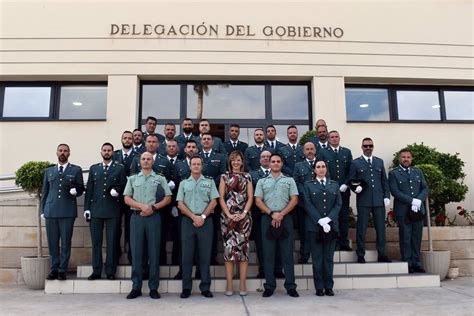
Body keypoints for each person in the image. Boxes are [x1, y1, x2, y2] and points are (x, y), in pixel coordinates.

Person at [123, 152, 172, 299]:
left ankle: (153, 288)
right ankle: (136, 287)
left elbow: (168, 198)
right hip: (137, 218)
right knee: (137, 253)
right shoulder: (132, 179)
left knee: (154, 252)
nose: (145, 161)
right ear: (139, 162)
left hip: (154, 218)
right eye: (143, 159)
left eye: (148, 159)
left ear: (153, 162)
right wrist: (142, 206)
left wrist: (153, 208)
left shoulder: (160, 179)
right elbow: (126, 198)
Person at [255, 153, 299, 298]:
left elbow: (294, 200)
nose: (275, 163)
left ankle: (291, 286)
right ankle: (269, 286)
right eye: (272, 161)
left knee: (287, 253)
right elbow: (258, 201)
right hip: (267, 219)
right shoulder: (262, 181)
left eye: (278, 161)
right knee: (268, 254)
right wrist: (272, 213)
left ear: (282, 163)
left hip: (285, 218)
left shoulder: (289, 180)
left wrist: (281, 214)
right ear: (269, 163)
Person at [177, 155, 220, 299]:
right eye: (193, 164)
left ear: (202, 166)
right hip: (188, 221)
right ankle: (186, 288)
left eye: (198, 164)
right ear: (189, 166)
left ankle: (205, 287)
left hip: (206, 221)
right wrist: (193, 217)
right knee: (187, 256)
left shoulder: (209, 182)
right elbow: (180, 204)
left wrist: (202, 217)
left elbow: (214, 201)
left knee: (205, 256)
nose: (196, 166)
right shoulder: (183, 183)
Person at [41, 143, 84, 281]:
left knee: (66, 242)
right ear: (56, 153)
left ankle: (62, 270)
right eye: (60, 150)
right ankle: (54, 269)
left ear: (69, 153)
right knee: (53, 243)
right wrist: (43, 210)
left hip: (67, 211)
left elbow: (80, 189)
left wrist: (76, 192)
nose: (63, 153)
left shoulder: (76, 170)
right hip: (51, 211)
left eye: (65, 151)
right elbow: (45, 191)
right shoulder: (49, 171)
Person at [84, 143, 127, 280]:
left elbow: (124, 187)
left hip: (113, 210)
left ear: (113, 152)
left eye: (109, 150)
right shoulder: (94, 168)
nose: (107, 152)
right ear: (101, 152)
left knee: (112, 242)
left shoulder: (119, 168)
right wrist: (87, 208)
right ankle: (96, 271)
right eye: (104, 150)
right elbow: (89, 189)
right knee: (96, 242)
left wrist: (118, 193)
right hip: (96, 210)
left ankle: (110, 271)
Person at [348, 137, 391, 263]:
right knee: (361, 228)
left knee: (381, 229)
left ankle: (382, 253)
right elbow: (351, 180)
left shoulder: (379, 162)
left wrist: (386, 196)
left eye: (370, 146)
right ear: (362, 147)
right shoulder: (356, 163)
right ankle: (360, 254)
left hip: (378, 200)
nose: (368, 148)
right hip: (364, 201)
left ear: (373, 147)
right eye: (365, 146)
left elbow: (384, 181)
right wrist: (355, 189)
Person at [304, 160, 342, 297]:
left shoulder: (334, 184)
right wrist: (320, 220)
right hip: (315, 227)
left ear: (326, 169)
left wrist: (329, 219)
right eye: (318, 167)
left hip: (331, 227)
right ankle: (319, 287)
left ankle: (329, 287)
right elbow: (307, 204)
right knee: (317, 258)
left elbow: (338, 204)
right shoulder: (308, 185)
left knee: (328, 258)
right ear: (314, 170)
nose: (321, 169)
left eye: (323, 167)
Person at [218, 151, 254, 296]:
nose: (236, 162)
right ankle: (229, 284)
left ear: (242, 161)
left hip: (244, 218)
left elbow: (251, 197)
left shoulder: (247, 176)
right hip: (228, 217)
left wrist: (244, 213)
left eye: (238, 160)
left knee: (243, 250)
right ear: (230, 162)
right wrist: (229, 214)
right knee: (229, 250)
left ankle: (243, 284)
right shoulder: (224, 177)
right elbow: (220, 197)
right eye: (233, 160)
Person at [389, 148, 429, 273]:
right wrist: (412, 200)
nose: (406, 159)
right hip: (403, 211)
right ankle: (408, 263)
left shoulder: (418, 171)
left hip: (417, 210)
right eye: (403, 157)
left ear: (411, 159)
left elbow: (425, 188)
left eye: (408, 157)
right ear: (399, 159)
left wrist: (419, 200)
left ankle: (416, 263)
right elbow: (395, 191)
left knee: (417, 237)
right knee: (406, 237)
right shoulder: (394, 173)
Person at [249, 150, 284, 279]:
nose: (265, 159)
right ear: (259, 159)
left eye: (267, 157)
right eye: (263, 157)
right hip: (260, 215)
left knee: (279, 241)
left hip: (278, 214)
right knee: (261, 243)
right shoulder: (252, 175)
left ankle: (278, 269)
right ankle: (263, 269)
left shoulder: (281, 175)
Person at [318, 130, 353, 251]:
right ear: (328, 139)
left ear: (339, 138)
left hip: (344, 191)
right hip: (329, 191)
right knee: (331, 216)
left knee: (343, 216)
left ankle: (343, 242)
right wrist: (330, 186)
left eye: (336, 137)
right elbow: (322, 170)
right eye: (331, 137)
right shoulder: (322, 152)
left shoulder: (346, 152)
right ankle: (332, 241)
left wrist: (346, 184)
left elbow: (351, 171)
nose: (334, 139)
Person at [172, 139, 199, 279]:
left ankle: (199, 271)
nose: (191, 149)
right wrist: (174, 206)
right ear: (184, 149)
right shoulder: (178, 165)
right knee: (183, 242)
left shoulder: (200, 164)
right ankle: (183, 270)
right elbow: (174, 186)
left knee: (200, 244)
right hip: (183, 210)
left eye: (194, 147)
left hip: (199, 210)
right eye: (189, 147)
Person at [199, 133, 227, 265]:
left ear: (213, 142)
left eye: (208, 139)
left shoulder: (220, 157)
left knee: (213, 230)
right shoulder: (196, 157)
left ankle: (212, 257)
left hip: (215, 196)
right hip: (199, 198)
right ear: (201, 141)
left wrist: (210, 184)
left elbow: (223, 175)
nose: (206, 141)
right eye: (204, 139)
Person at [112, 130, 137, 264]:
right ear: (122, 140)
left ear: (132, 140)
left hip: (132, 196)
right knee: (115, 228)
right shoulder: (114, 155)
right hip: (116, 198)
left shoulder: (138, 156)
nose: (127, 140)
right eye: (125, 138)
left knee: (130, 228)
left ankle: (132, 257)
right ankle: (115, 255)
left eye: (129, 138)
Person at [293, 142, 317, 263]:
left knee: (318, 229)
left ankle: (317, 254)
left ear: (315, 150)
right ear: (303, 152)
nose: (309, 151)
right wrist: (307, 193)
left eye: (311, 149)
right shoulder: (298, 165)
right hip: (303, 204)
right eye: (307, 149)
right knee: (304, 231)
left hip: (318, 205)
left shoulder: (321, 165)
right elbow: (296, 182)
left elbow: (326, 179)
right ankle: (304, 255)